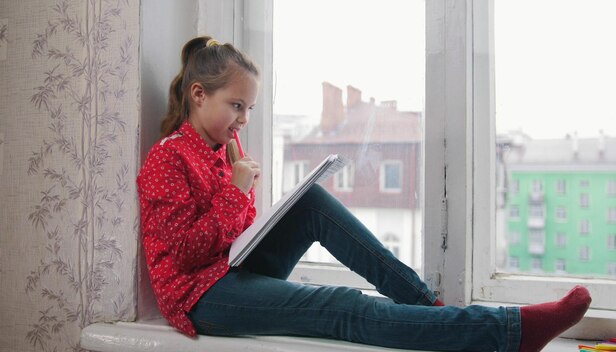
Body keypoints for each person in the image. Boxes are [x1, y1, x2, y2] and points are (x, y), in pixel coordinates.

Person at [136, 36, 591, 352]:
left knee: (311, 202)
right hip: (200, 299)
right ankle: (510, 331)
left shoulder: (221, 153)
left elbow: (232, 237)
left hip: (227, 273)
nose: (244, 119)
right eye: (236, 106)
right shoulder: (167, 158)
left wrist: (246, 194)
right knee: (339, 306)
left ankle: (425, 305)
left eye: (249, 109)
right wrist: (237, 193)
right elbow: (185, 253)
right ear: (198, 95)